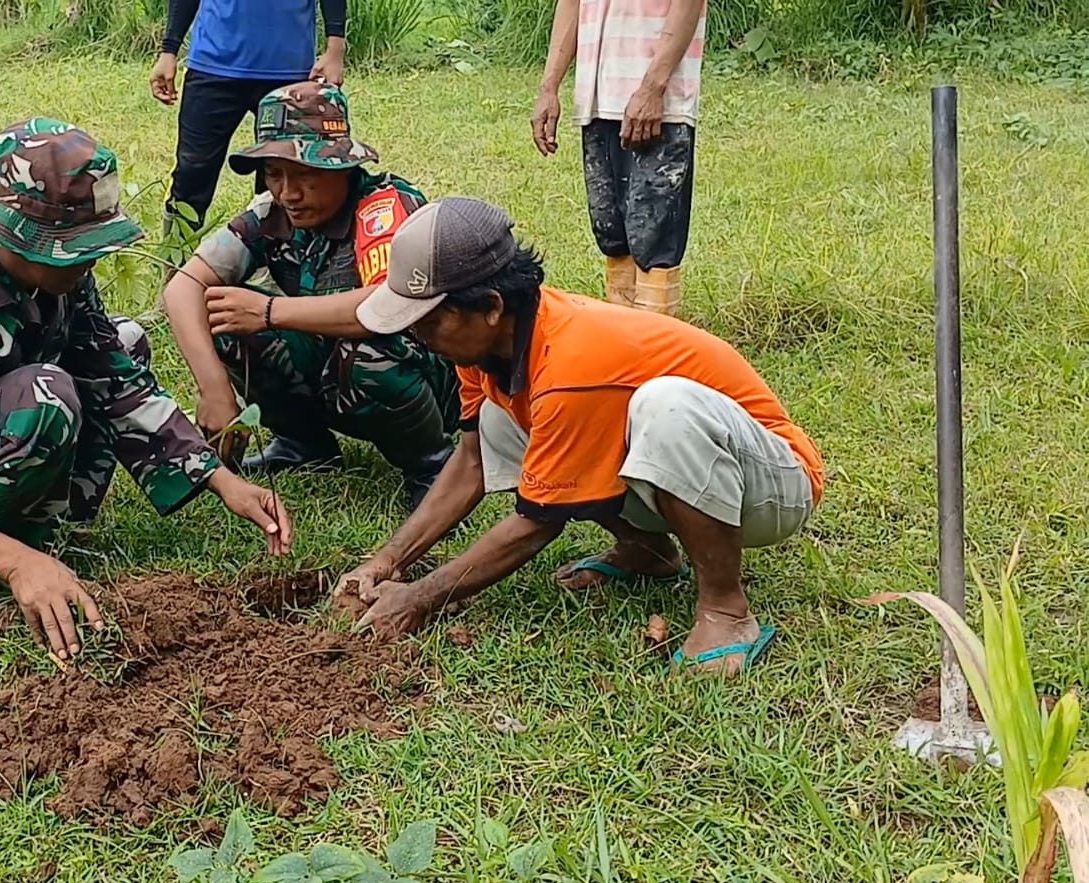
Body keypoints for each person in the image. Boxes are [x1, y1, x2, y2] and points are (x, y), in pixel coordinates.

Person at [0, 118, 293, 662]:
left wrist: (219, 479)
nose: (91, 260)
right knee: (45, 397)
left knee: (125, 341)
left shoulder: (54, 275)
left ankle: (31, 530)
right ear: (14, 234)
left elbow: (114, 375)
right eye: (74, 245)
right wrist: (16, 564)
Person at [337, 197, 824, 675]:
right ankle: (648, 551)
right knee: (499, 421)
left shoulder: (572, 362)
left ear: (489, 306)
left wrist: (419, 598)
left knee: (665, 409)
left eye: (428, 320)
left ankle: (726, 610)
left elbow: (537, 524)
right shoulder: (486, 347)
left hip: (771, 488)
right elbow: (472, 463)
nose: (418, 335)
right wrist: (387, 562)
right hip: (696, 473)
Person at [162, 82, 460, 511]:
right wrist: (214, 390)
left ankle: (433, 466)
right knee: (224, 315)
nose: (288, 193)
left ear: (342, 167)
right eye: (275, 174)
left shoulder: (382, 207)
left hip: (425, 374)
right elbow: (184, 286)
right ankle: (304, 445)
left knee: (366, 354)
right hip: (333, 364)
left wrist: (268, 311)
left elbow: (386, 307)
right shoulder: (271, 213)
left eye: (306, 175)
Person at [530, 0, 706, 317]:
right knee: (612, 232)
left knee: (653, 238)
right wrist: (549, 87)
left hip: (657, 104)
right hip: (597, 101)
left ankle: (656, 348)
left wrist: (653, 88)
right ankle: (627, 343)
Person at [150, 0, 347, 234]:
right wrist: (169, 50)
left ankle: (278, 262)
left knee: (284, 175)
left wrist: (335, 49)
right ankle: (176, 260)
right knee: (192, 172)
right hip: (212, 66)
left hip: (289, 70)